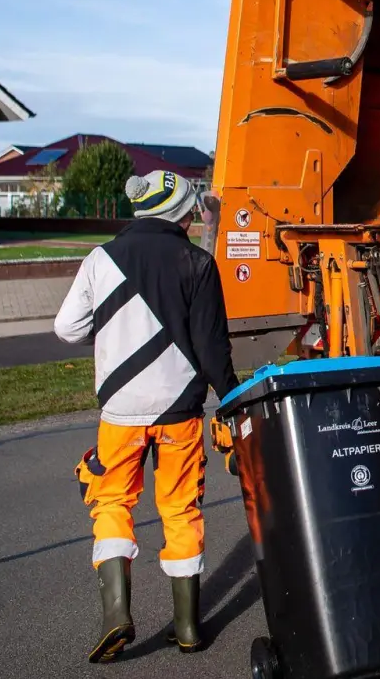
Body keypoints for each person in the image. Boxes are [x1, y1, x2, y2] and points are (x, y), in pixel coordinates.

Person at [54, 169, 238, 663]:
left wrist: (114, 326)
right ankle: (187, 629)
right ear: (180, 213)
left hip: (120, 413)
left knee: (112, 502)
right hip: (179, 411)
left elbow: (67, 328)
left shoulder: (100, 259)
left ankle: (116, 615)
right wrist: (234, 400)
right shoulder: (197, 262)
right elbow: (212, 348)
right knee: (180, 509)